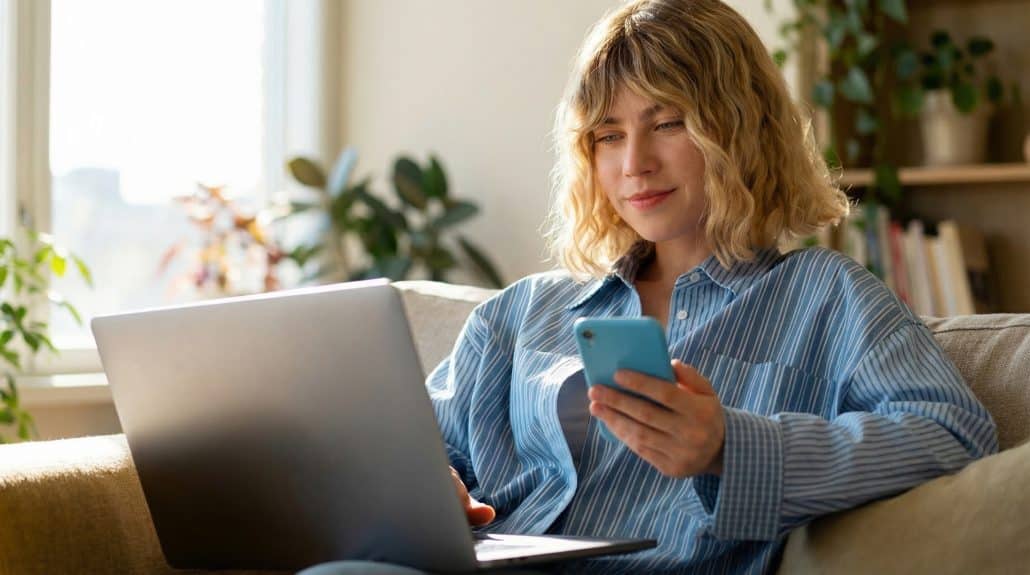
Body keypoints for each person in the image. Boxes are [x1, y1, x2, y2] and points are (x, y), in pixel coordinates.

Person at [303, 1, 997, 573]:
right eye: (608, 134)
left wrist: (731, 444)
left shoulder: (827, 296)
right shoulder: (520, 312)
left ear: (741, 128)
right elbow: (414, 447)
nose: (635, 162)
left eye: (666, 123)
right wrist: (430, 492)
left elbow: (953, 433)